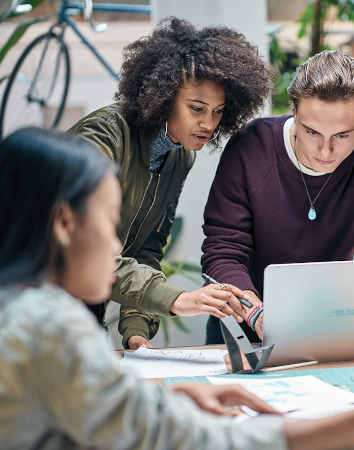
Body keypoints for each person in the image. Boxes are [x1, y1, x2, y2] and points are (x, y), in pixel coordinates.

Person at [0, 128, 354, 449]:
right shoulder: (45, 324)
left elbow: (79, 409)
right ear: (64, 224)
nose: (119, 242)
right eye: (112, 222)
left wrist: (176, 397)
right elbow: (182, 443)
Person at [200, 50, 354, 348]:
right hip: (244, 325)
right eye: (311, 132)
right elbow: (222, 250)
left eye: (343, 135)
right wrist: (257, 315)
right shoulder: (250, 148)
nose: (325, 151)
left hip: (332, 324)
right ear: (294, 109)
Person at [70, 17, 271, 349]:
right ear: (163, 95)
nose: (208, 123)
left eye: (219, 112)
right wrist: (178, 299)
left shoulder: (180, 157)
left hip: (89, 298)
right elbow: (80, 245)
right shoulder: (105, 136)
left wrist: (136, 332)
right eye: (196, 108)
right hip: (36, 297)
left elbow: (146, 249)